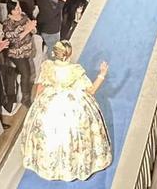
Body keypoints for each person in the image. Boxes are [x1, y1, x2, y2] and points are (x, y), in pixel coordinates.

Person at [21, 40, 111, 181]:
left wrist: (37, 104)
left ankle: (49, 165)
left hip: (49, 102)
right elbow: (91, 90)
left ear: (55, 54)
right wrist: (102, 74)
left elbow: (40, 87)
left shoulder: (47, 67)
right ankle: (75, 165)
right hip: (73, 104)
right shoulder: (75, 70)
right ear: (69, 54)